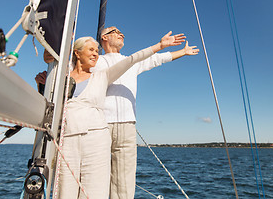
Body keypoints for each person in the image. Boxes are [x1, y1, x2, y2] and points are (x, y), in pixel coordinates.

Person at [38, 33, 191, 199]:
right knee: (65, 188)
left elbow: (140, 59)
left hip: (104, 132)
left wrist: (165, 48)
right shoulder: (78, 70)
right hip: (77, 133)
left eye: (96, 50)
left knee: (104, 187)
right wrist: (50, 61)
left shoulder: (109, 71)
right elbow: (58, 77)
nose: (95, 53)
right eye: (91, 49)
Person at [94, 26, 199, 199]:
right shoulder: (96, 61)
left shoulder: (132, 61)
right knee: (95, 176)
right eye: (116, 31)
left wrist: (183, 51)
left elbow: (158, 59)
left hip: (127, 127)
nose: (122, 33)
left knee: (124, 183)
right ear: (104, 37)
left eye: (122, 32)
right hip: (99, 124)